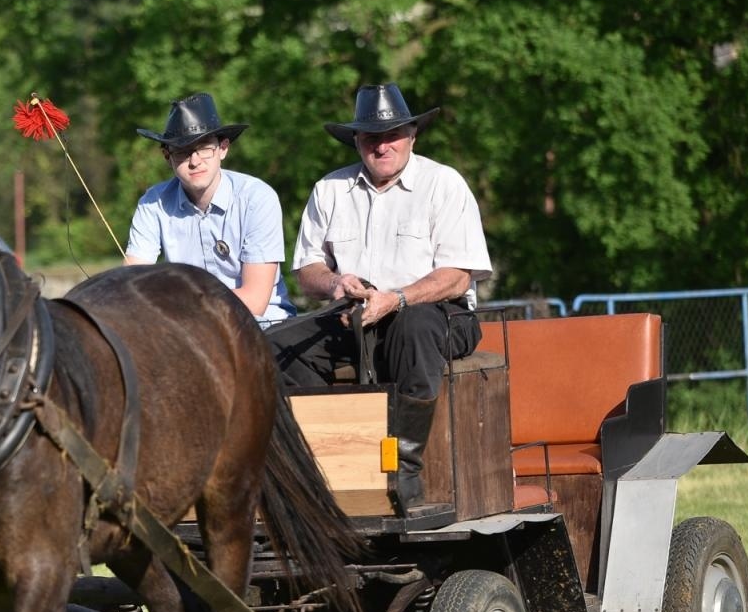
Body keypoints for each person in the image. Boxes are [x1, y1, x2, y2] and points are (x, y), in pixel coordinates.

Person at [266, 83, 492, 515]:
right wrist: (336, 283)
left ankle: (403, 471)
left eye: (392, 135)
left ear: (412, 136)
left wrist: (399, 298)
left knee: (413, 326)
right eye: (371, 137)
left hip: (437, 313)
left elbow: (457, 276)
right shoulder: (329, 189)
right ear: (357, 141)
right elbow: (307, 269)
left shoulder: (444, 183)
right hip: (352, 314)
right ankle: (321, 467)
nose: (382, 145)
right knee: (277, 345)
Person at [124, 93, 295, 326]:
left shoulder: (257, 198)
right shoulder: (152, 203)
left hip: (261, 326)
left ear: (223, 148)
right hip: (189, 330)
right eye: (182, 152)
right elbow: (133, 284)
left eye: (204, 148)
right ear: (167, 157)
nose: (194, 161)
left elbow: (255, 301)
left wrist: (177, 306)